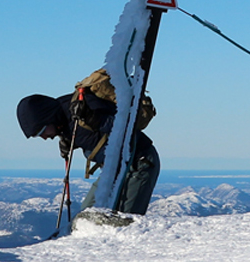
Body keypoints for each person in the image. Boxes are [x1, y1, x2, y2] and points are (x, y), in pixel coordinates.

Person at [17, 69, 160, 215]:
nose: (44, 137)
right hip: (114, 169)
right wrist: (68, 141)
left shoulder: (83, 108)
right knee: (88, 215)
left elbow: (125, 125)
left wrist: (96, 120)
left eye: (41, 132)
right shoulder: (64, 121)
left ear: (49, 118)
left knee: (126, 218)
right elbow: (90, 137)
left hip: (139, 163)